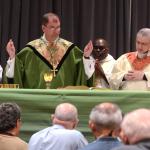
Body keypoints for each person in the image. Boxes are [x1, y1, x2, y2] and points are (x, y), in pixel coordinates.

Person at [4, 12, 88, 89]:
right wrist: (12, 56)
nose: (57, 31)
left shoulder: (70, 49)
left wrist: (86, 57)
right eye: (52, 27)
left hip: (64, 99)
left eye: (58, 27)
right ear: (43, 28)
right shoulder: (31, 50)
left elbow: (82, 71)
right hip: (37, 101)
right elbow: (16, 71)